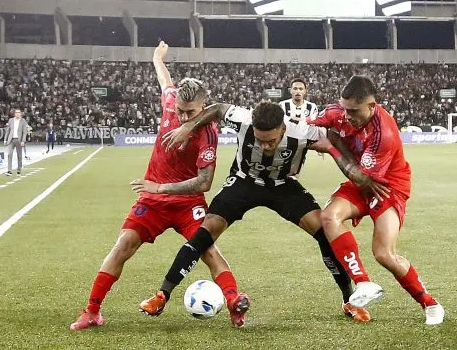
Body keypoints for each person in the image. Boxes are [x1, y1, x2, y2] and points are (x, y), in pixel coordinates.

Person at [140, 101, 381, 323]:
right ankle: (162, 295)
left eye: (271, 141)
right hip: (244, 182)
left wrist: (356, 173)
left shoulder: (302, 131)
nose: (264, 146)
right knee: (204, 233)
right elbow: (217, 109)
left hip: (283, 186)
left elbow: (334, 141)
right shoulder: (243, 119)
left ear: (283, 129)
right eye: (259, 140)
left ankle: (349, 301)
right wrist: (188, 127)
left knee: (324, 234)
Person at [70, 41, 246, 330]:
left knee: (209, 250)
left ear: (204, 107)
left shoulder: (208, 133)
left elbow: (204, 183)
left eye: (191, 112)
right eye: (180, 111)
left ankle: (233, 302)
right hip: (152, 203)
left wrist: (160, 187)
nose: (184, 117)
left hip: (187, 202)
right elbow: (165, 82)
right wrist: (157, 58)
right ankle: (92, 311)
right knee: (123, 245)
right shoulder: (170, 100)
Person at [310, 75, 445, 326]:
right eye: (344, 108)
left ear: (371, 106)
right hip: (362, 179)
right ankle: (363, 282)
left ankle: (430, 303)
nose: (347, 116)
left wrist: (332, 145)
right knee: (328, 216)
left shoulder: (385, 133)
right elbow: (304, 126)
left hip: (387, 186)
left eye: (353, 111)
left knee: (384, 253)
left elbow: (363, 178)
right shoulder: (337, 112)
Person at [3, 109, 29, 176]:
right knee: (9, 154)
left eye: (18, 112)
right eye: (16, 112)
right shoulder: (11, 120)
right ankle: (9, 170)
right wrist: (5, 140)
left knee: (19, 155)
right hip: (11, 139)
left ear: (20, 114)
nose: (17, 114)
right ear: (14, 114)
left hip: (19, 140)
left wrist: (23, 141)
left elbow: (24, 132)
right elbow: (8, 130)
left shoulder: (23, 121)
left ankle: (19, 170)